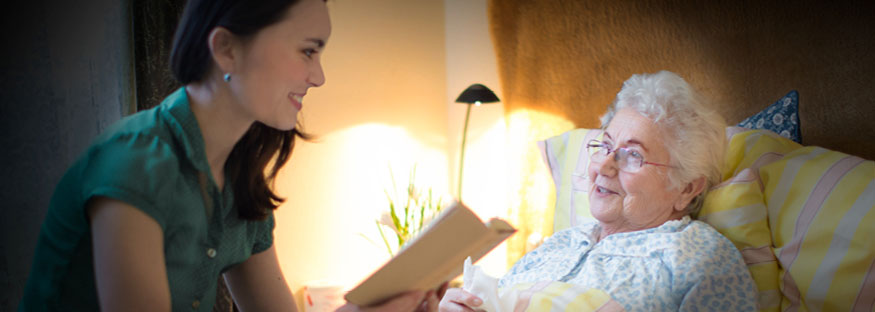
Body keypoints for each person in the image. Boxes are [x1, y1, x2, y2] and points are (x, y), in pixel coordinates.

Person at [19, 0, 441, 311]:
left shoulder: (239, 180)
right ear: (226, 49)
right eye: (308, 51)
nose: (319, 76)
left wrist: (388, 303)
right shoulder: (134, 168)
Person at [439, 71, 759, 311]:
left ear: (687, 188)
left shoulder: (698, 257)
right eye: (604, 146)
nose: (604, 165)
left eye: (633, 155)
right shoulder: (560, 243)